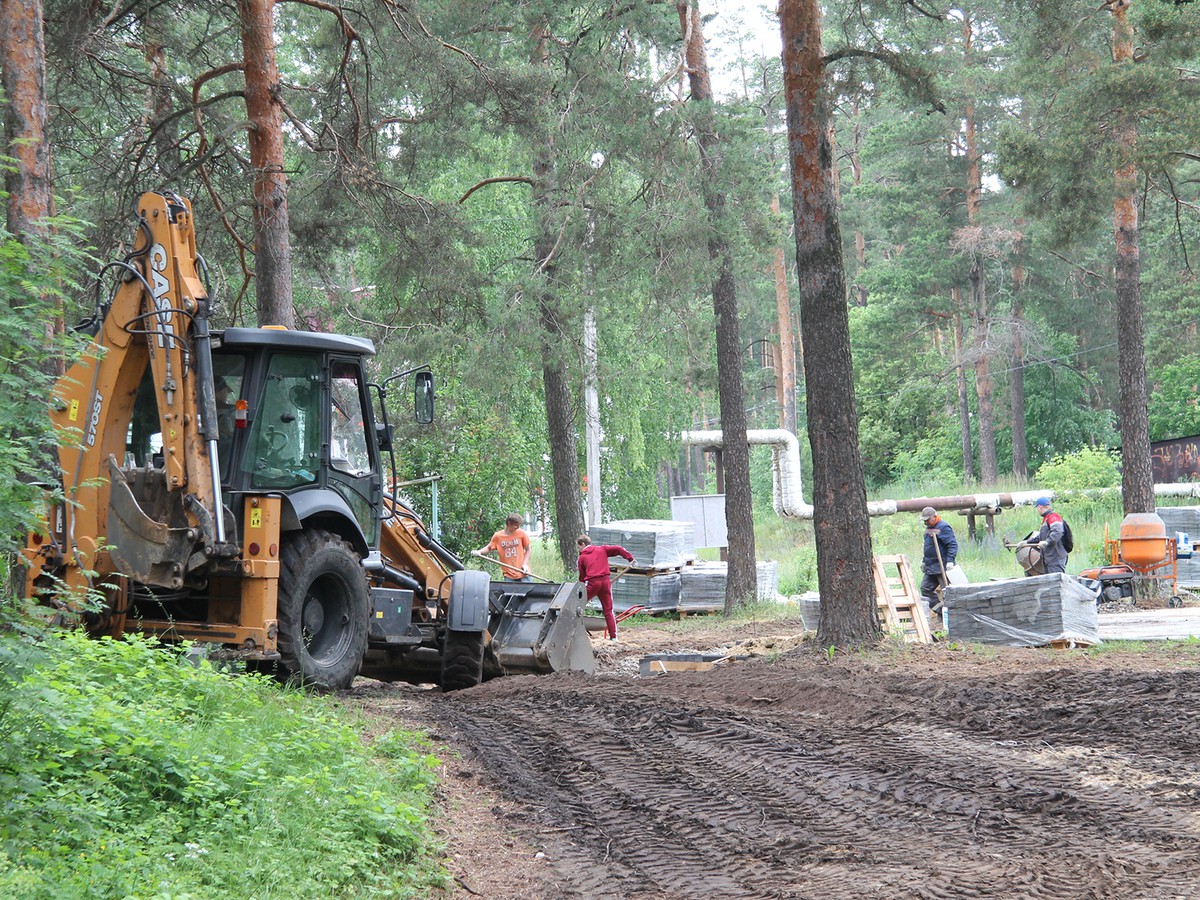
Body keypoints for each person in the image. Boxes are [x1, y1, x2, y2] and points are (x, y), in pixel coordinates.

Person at [576, 534, 635, 641]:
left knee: (577, 605)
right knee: (608, 610)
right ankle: (614, 637)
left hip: (593, 583)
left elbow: (582, 577)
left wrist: (581, 591)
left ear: (583, 544)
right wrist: (630, 558)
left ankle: (574, 632)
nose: (579, 549)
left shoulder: (582, 557)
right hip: (605, 582)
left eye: (579, 546)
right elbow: (618, 549)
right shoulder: (602, 549)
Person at [919, 506, 958, 608]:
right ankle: (940, 611)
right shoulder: (928, 529)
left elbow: (952, 544)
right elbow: (928, 547)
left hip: (942, 567)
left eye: (927, 520)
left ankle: (951, 615)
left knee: (947, 593)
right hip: (930, 567)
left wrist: (950, 560)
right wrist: (924, 561)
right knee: (925, 589)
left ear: (934, 517)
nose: (925, 523)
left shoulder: (943, 527)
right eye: (924, 521)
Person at [477, 514, 532, 582]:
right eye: (516, 525)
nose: (518, 527)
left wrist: (525, 564)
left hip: (524, 573)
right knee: (510, 592)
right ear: (509, 523)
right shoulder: (498, 536)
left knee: (528, 592)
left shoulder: (521, 533)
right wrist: (479, 552)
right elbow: (489, 548)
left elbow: (528, 550)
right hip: (509, 576)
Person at [1033, 497, 1068, 574]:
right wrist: (1027, 542)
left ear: (1040, 507)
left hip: (1055, 558)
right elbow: (1042, 536)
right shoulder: (1047, 518)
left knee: (1056, 583)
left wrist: (1047, 542)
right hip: (1049, 558)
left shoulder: (1053, 517)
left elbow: (1057, 532)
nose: (1038, 511)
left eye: (1037, 508)